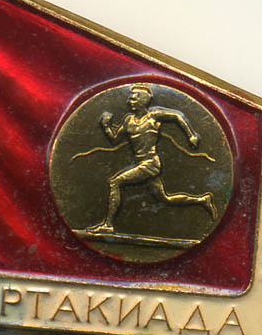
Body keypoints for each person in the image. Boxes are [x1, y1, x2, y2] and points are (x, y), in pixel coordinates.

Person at [87, 84, 218, 234]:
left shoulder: (153, 116)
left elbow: (177, 116)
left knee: (115, 182)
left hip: (150, 164)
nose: (129, 101)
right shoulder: (128, 120)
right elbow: (115, 139)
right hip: (141, 164)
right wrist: (106, 127)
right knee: (165, 199)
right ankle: (202, 200)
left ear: (143, 100)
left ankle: (108, 225)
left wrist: (191, 135)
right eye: (130, 98)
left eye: (133, 99)